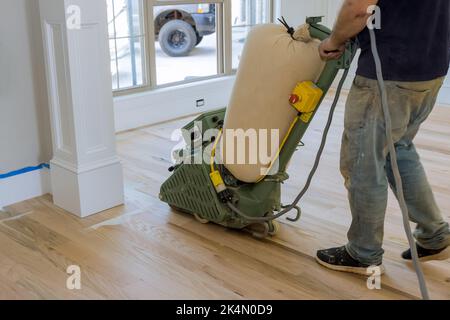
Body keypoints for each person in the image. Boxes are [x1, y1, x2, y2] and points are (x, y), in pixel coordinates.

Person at [316, 0, 450, 274]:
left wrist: (333, 40)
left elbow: (357, 8)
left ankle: (363, 252)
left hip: (387, 73)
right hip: (430, 67)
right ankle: (435, 235)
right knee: (398, 150)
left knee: (363, 162)